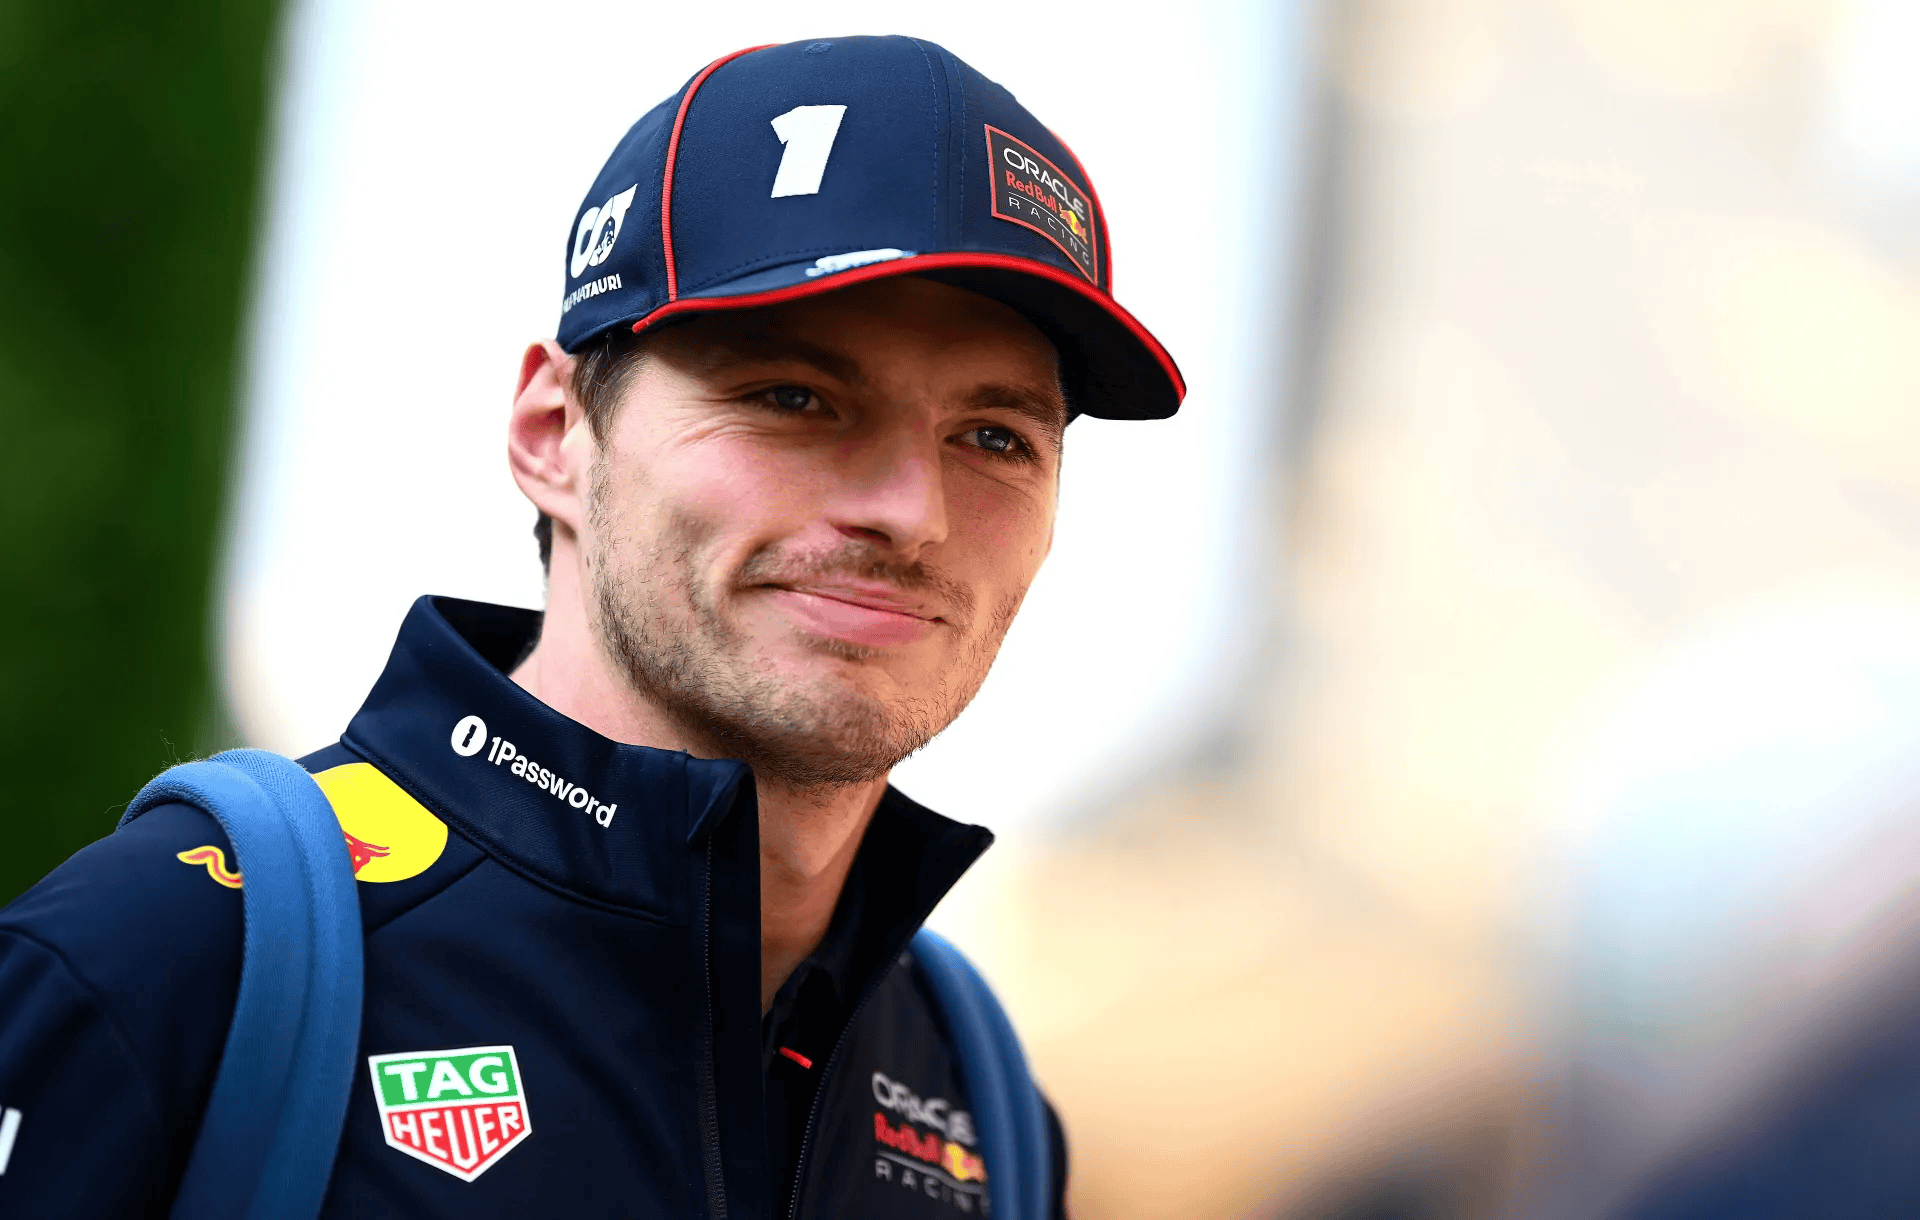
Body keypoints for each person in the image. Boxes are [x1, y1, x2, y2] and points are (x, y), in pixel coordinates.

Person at [0, 34, 1182, 1218]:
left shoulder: (983, 1104)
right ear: (553, 432)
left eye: (994, 436)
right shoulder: (163, 956)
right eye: (793, 396)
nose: (913, 512)